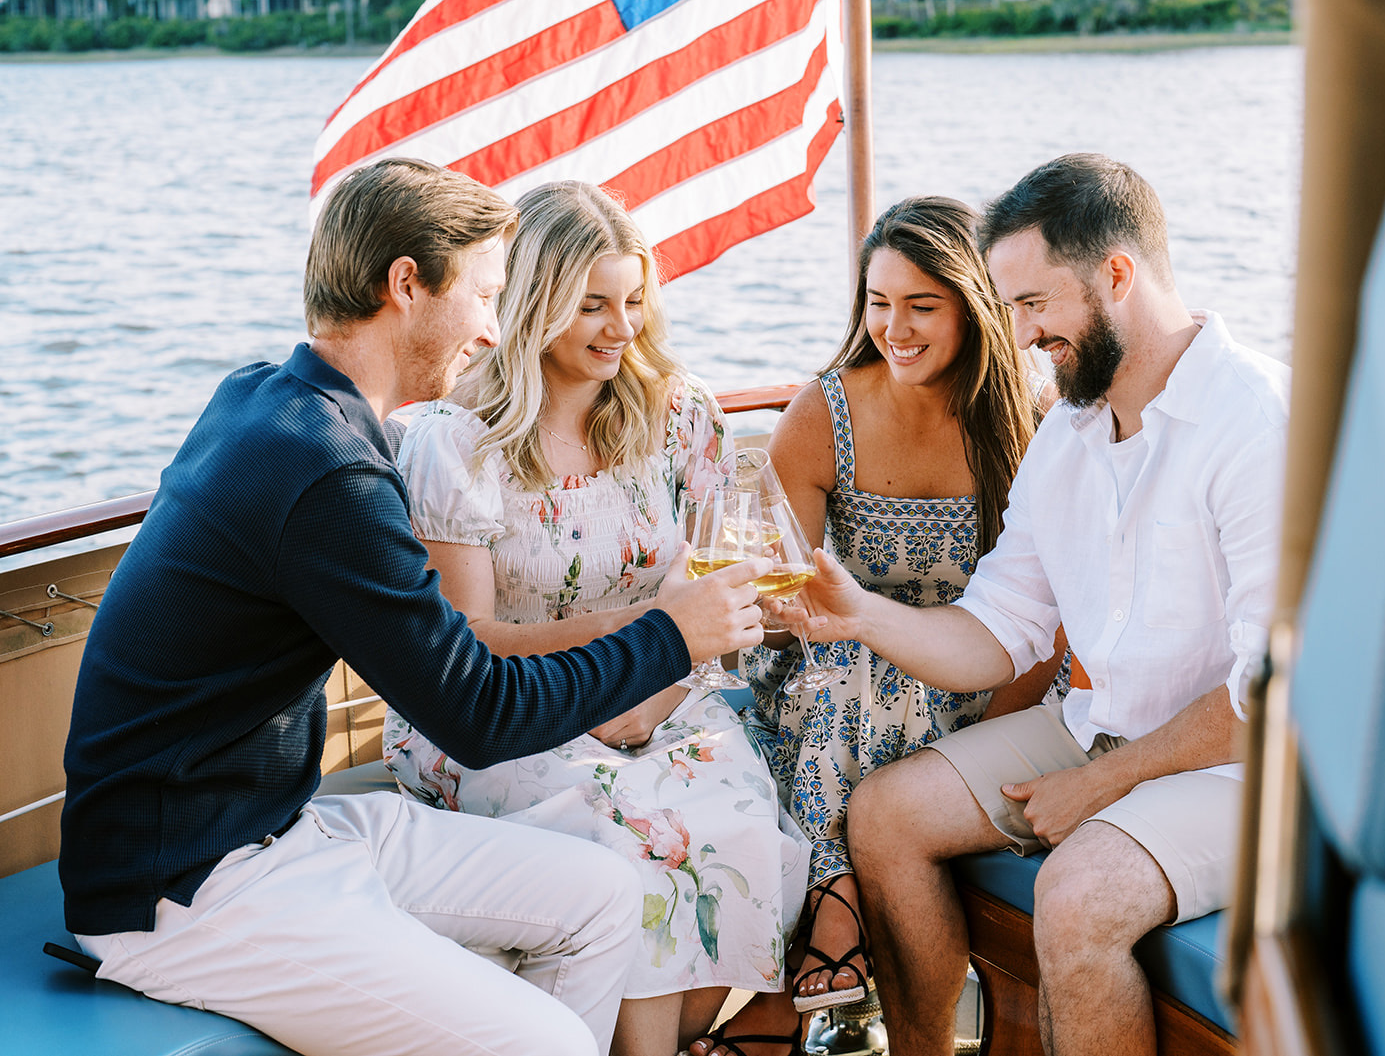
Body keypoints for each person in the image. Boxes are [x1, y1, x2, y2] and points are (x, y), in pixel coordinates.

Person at [58, 158, 773, 1056]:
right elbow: (476, 713)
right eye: (483, 293)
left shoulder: (272, 398)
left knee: (603, 894)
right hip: (185, 886)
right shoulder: (327, 472)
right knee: (544, 1042)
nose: (490, 325)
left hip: (275, 826)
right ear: (406, 284)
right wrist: (670, 635)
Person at [800, 154, 1289, 1056]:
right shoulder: (1066, 433)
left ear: (1116, 274)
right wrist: (857, 613)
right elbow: (995, 630)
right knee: (885, 815)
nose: (1019, 333)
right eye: (1010, 306)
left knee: (1076, 895)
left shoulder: (1254, 424)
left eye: (1034, 304)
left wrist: (1100, 784)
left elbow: (1273, 697)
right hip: (1102, 721)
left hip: (1250, 772)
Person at [380, 180, 810, 1056]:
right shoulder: (455, 443)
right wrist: (645, 628)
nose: (621, 327)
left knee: (749, 823)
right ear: (533, 304)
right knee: (634, 841)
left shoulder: (676, 414)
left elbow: (718, 573)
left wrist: (656, 685)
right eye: (591, 305)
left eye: (633, 300)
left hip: (659, 689)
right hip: (504, 712)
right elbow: (469, 647)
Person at [693, 196, 1065, 1056]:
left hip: (992, 680)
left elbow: (1049, 618)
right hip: (841, 681)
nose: (893, 327)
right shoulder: (824, 412)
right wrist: (787, 613)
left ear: (973, 308)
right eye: (877, 302)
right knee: (853, 666)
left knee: (867, 669)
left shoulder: (1032, 416)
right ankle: (831, 920)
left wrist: (1004, 720)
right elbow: (781, 596)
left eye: (920, 305)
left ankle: (808, 964)